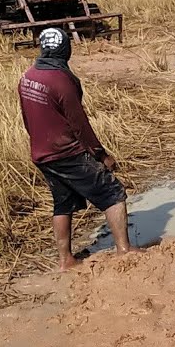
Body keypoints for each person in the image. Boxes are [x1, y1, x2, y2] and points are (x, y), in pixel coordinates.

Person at [18, 28, 138, 270]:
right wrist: (101, 155)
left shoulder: (28, 77)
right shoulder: (62, 81)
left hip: (42, 154)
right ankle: (124, 251)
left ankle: (66, 260)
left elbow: (26, 119)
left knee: (63, 203)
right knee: (112, 193)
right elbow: (79, 124)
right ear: (65, 50)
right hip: (67, 152)